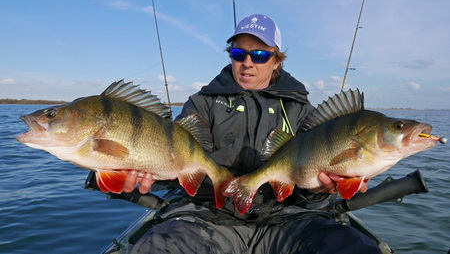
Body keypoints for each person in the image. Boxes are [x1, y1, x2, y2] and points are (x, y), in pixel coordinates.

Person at [126, 14, 380, 254]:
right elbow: (178, 162)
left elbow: (306, 180)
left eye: (259, 55)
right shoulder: (201, 103)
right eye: (239, 54)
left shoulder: (302, 111)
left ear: (277, 60)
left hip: (290, 218)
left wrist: (326, 188)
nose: (247, 63)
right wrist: (144, 169)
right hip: (205, 217)